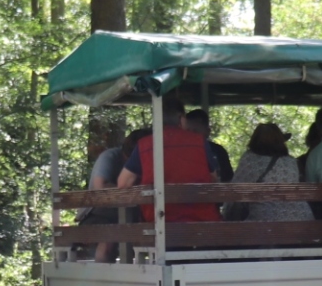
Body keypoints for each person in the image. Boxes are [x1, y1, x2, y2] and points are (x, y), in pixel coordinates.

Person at [116, 96, 222, 223]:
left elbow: (123, 183)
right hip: (200, 220)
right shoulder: (199, 142)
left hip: (158, 223)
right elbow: (213, 178)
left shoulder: (145, 145)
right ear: (181, 119)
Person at [226, 123, 314, 222]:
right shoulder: (291, 162)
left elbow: (234, 192)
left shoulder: (250, 160)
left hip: (265, 221)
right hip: (302, 219)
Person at [83, 127, 145, 262]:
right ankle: (102, 275)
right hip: (99, 214)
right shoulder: (110, 156)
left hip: (133, 215)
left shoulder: (148, 162)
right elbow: (100, 187)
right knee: (108, 238)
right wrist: (129, 188)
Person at [183, 109, 234, 181]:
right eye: (188, 132)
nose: (193, 136)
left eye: (195, 132)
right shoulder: (181, 151)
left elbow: (227, 179)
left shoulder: (218, 151)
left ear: (207, 132)